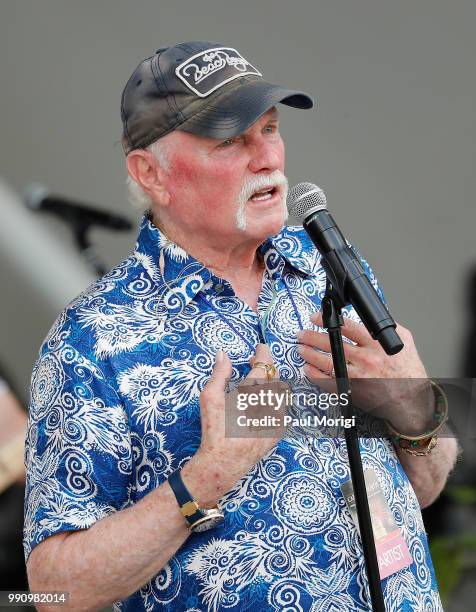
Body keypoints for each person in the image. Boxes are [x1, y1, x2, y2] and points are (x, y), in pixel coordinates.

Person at [25, 41, 458, 611]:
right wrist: (206, 478)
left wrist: (413, 407)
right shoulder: (95, 340)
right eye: (230, 140)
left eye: (271, 129)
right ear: (150, 173)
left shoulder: (329, 270)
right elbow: (56, 590)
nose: (268, 158)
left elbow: (424, 489)